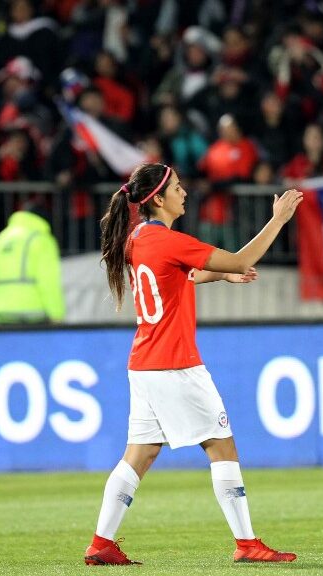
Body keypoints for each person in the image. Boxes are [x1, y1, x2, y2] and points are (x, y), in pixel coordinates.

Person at [86, 163, 302, 566]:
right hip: (175, 365)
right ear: (159, 199)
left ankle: (101, 542)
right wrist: (278, 221)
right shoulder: (171, 241)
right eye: (179, 187)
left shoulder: (138, 239)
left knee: (141, 454)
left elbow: (175, 279)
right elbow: (240, 259)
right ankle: (247, 543)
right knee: (221, 445)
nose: (184, 193)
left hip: (144, 364)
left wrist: (215, 278)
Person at [0, 203, 63, 325]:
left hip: (3, 313)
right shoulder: (42, 240)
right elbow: (48, 281)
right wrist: (57, 315)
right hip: (35, 313)